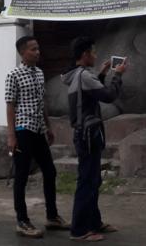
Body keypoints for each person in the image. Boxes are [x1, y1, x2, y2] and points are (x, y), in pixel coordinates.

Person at [62, 36, 127, 242]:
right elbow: (107, 96)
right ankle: (79, 230)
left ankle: (94, 222)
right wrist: (117, 75)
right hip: (88, 135)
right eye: (93, 52)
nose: (96, 55)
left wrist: (102, 72)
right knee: (87, 181)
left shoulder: (78, 75)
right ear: (84, 55)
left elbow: (89, 92)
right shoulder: (83, 76)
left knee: (93, 179)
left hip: (85, 134)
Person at [5, 35, 70, 238]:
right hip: (23, 130)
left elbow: (42, 103)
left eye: (38, 48)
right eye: (33, 49)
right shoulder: (14, 75)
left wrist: (48, 127)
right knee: (22, 177)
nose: (37, 52)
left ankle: (52, 216)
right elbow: (10, 106)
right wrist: (11, 135)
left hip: (39, 129)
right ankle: (22, 221)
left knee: (49, 171)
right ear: (23, 52)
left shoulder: (40, 74)